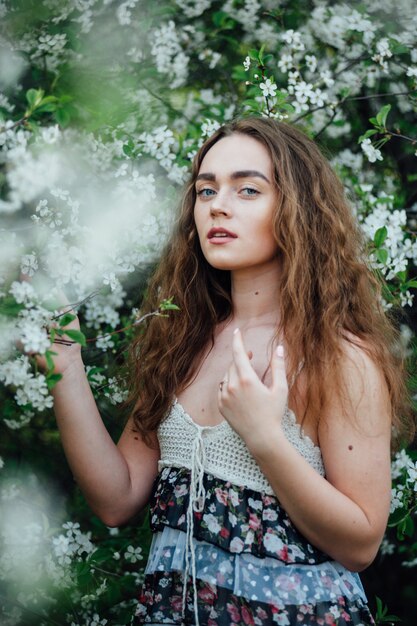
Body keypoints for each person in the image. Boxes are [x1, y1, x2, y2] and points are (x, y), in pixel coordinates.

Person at [39, 117, 414, 626]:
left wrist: (265, 436)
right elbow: (117, 498)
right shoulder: (183, 343)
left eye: (248, 189)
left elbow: (361, 544)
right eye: (206, 189)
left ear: (295, 209)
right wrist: (66, 362)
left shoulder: (337, 356)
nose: (218, 204)